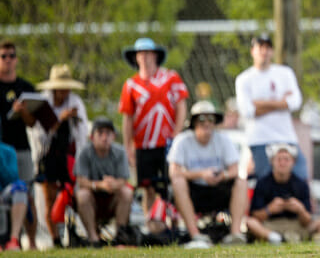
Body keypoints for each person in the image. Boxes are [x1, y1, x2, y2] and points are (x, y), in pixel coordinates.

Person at [119, 37, 188, 215]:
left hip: (167, 143)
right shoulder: (131, 85)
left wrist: (176, 134)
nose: (145, 57)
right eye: (141, 54)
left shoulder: (170, 78)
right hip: (143, 144)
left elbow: (181, 106)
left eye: (149, 53)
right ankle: (151, 223)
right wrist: (128, 146)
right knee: (147, 186)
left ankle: (174, 221)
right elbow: (127, 118)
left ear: (156, 56)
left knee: (170, 183)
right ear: (136, 57)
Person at [168, 101, 248, 249]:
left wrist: (222, 176)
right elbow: (174, 172)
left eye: (210, 119)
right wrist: (201, 174)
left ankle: (235, 234)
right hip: (194, 191)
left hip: (218, 189)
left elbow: (235, 170)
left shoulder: (223, 140)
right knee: (178, 182)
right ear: (193, 122)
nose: (207, 123)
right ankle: (195, 235)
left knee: (241, 181)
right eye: (202, 119)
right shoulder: (182, 140)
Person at [235, 33, 307, 181]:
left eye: (268, 47)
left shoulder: (285, 73)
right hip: (260, 140)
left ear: (272, 51)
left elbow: (295, 102)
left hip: (287, 138)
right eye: (260, 47)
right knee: (266, 184)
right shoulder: (244, 79)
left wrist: (260, 103)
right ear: (252, 51)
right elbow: (248, 111)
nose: (264, 51)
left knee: (300, 178)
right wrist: (281, 103)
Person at [36, 64, 89, 247]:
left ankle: (73, 233)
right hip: (48, 155)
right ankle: (55, 239)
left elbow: (82, 134)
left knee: (70, 195)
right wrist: (60, 119)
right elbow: (41, 134)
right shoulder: (44, 103)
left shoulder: (75, 102)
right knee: (49, 198)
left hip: (68, 157)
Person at [246, 143, 320, 244]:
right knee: (250, 222)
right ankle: (275, 239)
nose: (282, 163)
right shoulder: (262, 183)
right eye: (279, 159)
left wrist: (299, 209)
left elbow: (308, 221)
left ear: (293, 162)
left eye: (286, 159)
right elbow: (255, 216)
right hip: (271, 226)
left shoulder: (301, 184)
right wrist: (270, 209)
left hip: (297, 226)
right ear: (272, 162)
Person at [74, 117, 135, 247]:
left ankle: (120, 236)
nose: (104, 137)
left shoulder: (119, 152)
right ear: (92, 137)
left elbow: (123, 180)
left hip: (112, 198)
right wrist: (99, 185)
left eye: (108, 133)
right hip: (92, 199)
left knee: (127, 192)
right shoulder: (84, 152)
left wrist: (113, 184)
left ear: (113, 136)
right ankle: (93, 238)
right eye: (100, 133)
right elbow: (81, 181)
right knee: (82, 194)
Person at [0, 40, 38, 248]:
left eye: (12, 56)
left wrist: (23, 112)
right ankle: (6, 239)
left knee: (26, 195)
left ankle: (30, 242)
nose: (8, 60)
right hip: (1, 149)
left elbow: (33, 123)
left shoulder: (25, 87)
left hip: (21, 149)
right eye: (4, 56)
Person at [0, 141, 31, 251]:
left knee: (21, 188)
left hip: (5, 192)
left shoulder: (8, 151)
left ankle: (13, 240)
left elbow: (13, 177)